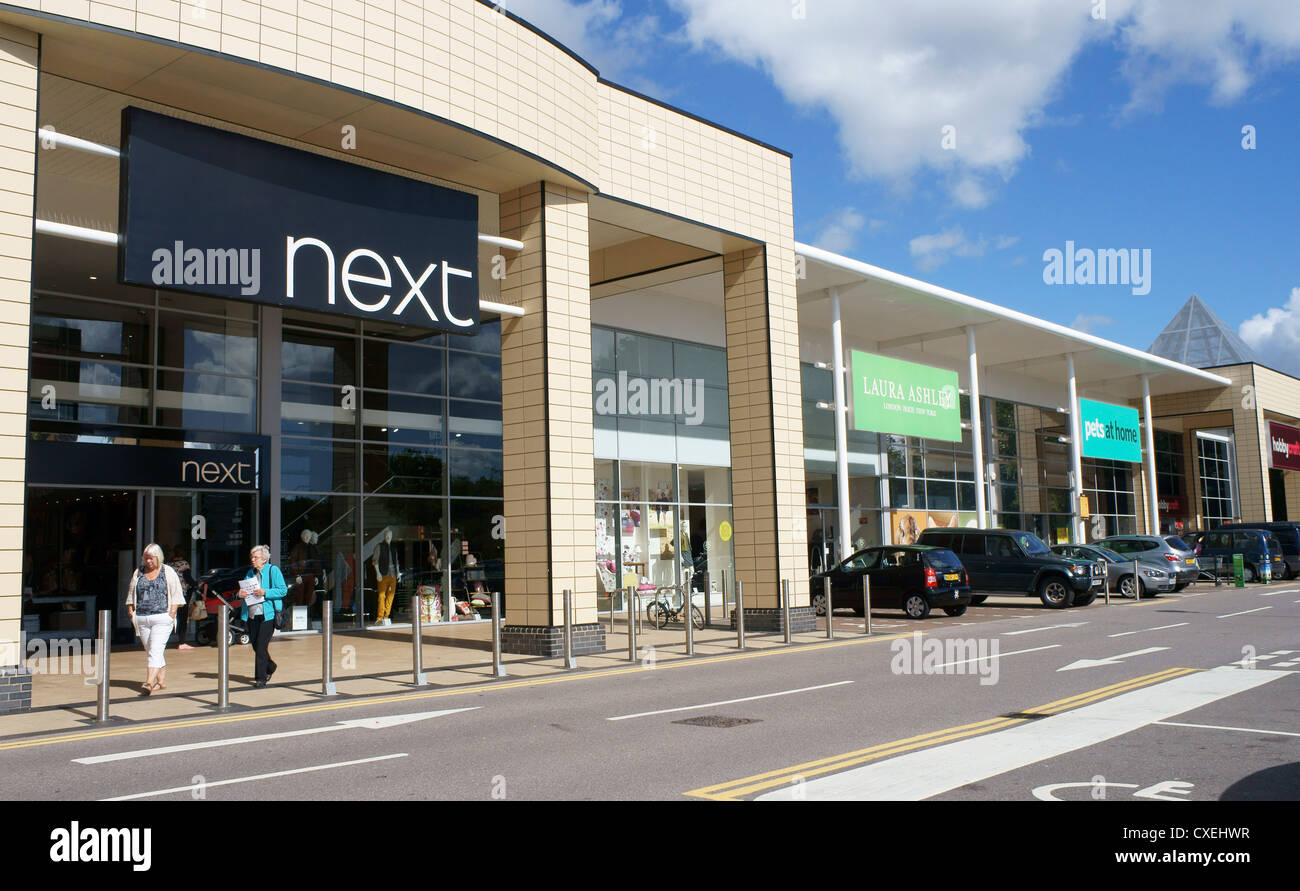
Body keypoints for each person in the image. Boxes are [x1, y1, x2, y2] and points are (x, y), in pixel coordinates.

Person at [125, 543, 186, 695]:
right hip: (142, 617)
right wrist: (131, 610)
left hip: (162, 617)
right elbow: (132, 590)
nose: (148, 562)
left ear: (158, 557)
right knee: (152, 651)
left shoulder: (167, 571)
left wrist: (172, 613)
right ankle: (162, 681)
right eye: (146, 559)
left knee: (155, 651)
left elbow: (177, 593)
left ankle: (148, 682)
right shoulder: (139, 571)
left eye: (151, 559)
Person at [237, 544, 287, 688]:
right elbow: (244, 592)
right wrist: (239, 594)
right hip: (252, 615)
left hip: (268, 615)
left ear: (264, 559)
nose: (253, 560)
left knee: (261, 647)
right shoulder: (249, 573)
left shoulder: (273, 570)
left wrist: (266, 592)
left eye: (256, 557)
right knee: (256, 646)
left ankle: (261, 678)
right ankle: (270, 666)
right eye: (252, 557)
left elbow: (283, 591)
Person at [167, 546, 197, 651]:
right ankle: (181, 642)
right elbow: (188, 579)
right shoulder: (184, 564)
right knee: (182, 618)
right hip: (181, 595)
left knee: (170, 617)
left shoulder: (168, 565)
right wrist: (197, 584)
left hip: (169, 595)